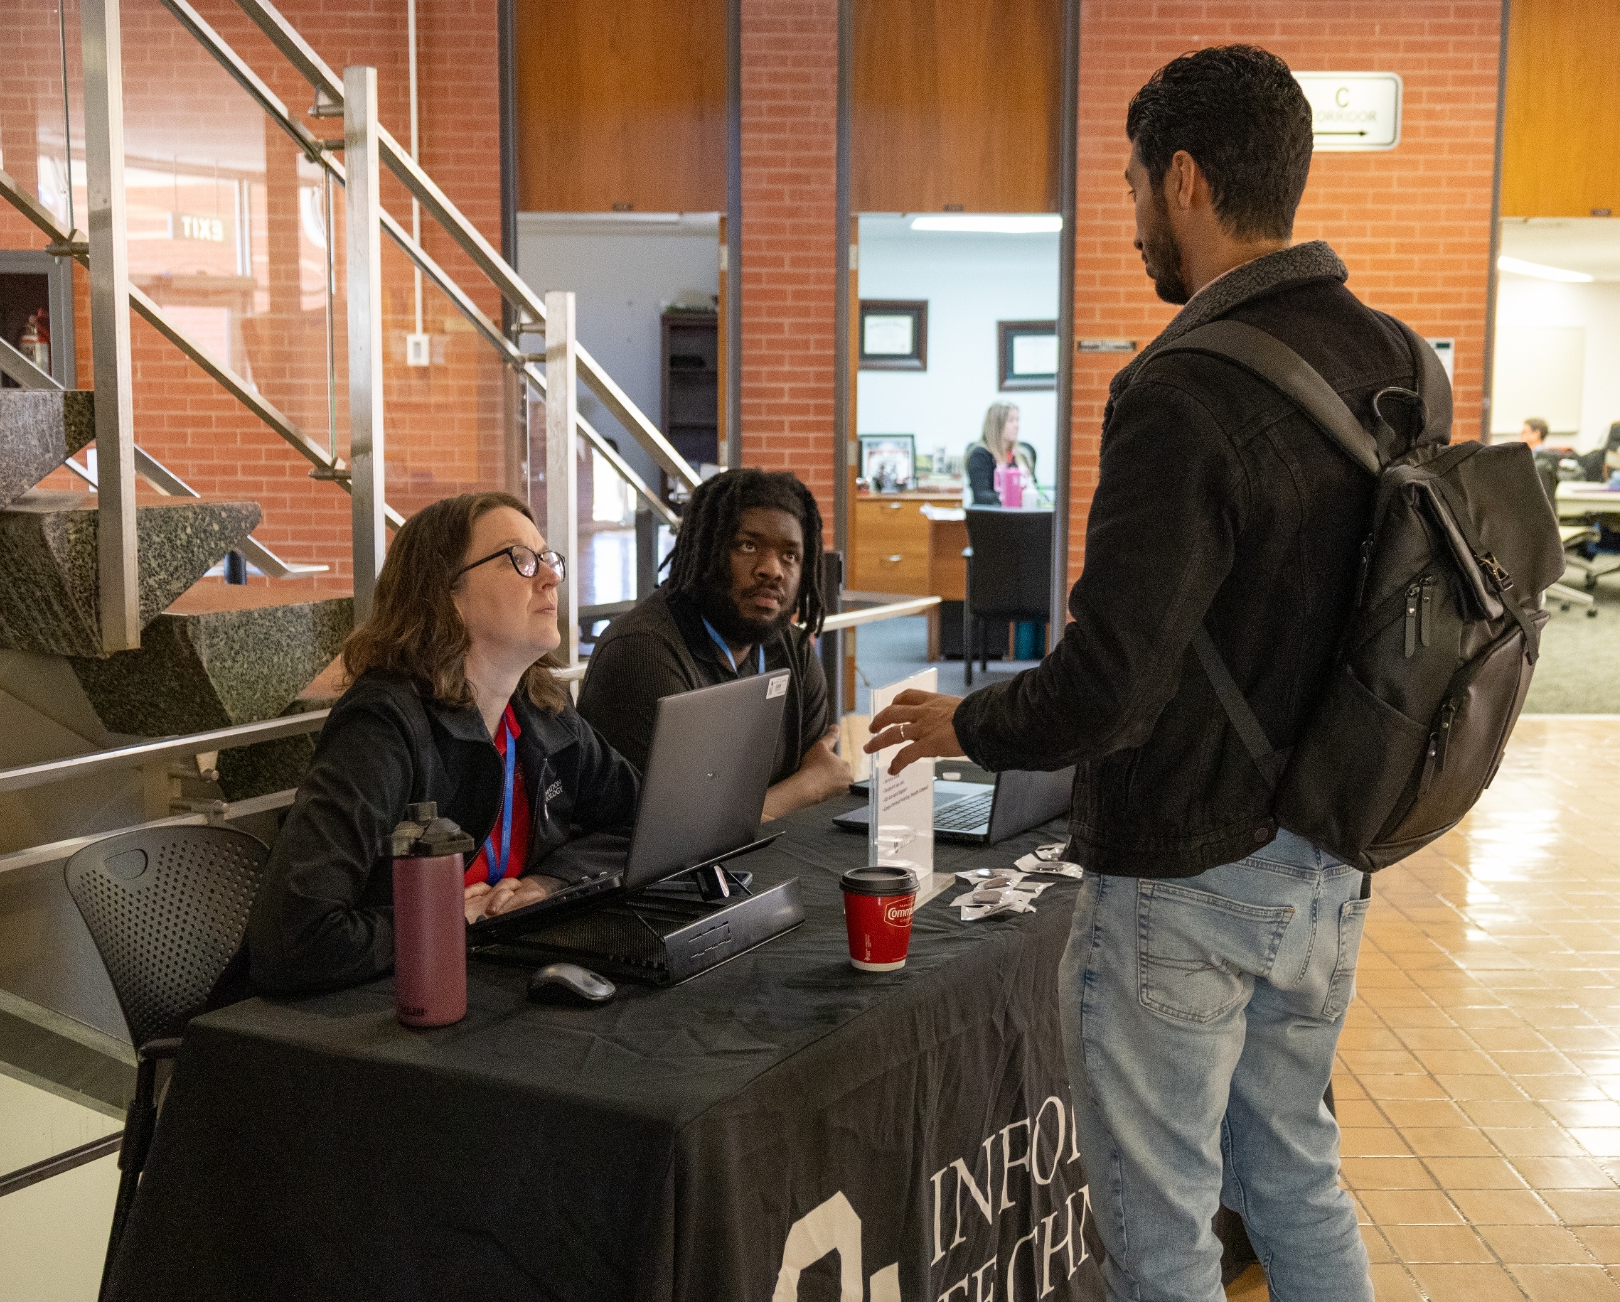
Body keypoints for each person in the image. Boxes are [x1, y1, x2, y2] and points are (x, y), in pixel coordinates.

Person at [868, 46, 1421, 1302]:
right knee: (1292, 1175)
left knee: (1154, 1226)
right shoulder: (1396, 362)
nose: (1128, 224)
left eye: (1127, 186)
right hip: (1331, 854)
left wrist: (968, 721)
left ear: (1181, 179)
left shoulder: (1181, 387)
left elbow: (1109, 681)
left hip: (1186, 871)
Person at [244, 492, 641, 995]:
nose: (551, 576)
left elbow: (641, 819)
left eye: (547, 558)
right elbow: (293, 941)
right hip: (358, 1018)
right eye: (519, 560)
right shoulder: (382, 726)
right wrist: (444, 918)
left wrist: (550, 884)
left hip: (485, 982)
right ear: (446, 595)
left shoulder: (541, 708)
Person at [578, 469, 845, 822]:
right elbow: (684, 829)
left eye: (789, 555)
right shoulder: (644, 650)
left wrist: (807, 787)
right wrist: (808, 786)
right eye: (748, 546)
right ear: (707, 549)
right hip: (640, 872)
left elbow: (816, 788)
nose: (771, 570)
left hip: (755, 863)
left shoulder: (792, 650)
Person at [965, 401, 1038, 505]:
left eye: (1017, 420)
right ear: (996, 425)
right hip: (993, 517)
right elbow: (981, 496)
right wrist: (1012, 496)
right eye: (1011, 420)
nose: (1017, 425)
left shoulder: (1023, 455)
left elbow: (1033, 488)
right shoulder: (980, 455)